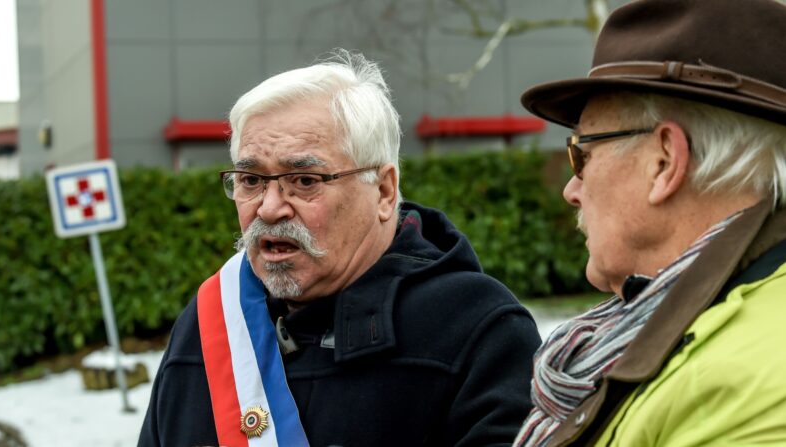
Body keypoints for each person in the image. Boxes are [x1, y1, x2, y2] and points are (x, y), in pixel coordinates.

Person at [138, 49, 541, 447]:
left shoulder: (478, 329)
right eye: (250, 180)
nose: (270, 207)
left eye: (305, 180)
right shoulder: (210, 322)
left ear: (384, 191)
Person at [512, 0, 786, 445]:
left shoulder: (740, 377)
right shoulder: (711, 330)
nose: (571, 189)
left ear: (664, 162)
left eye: (582, 154)